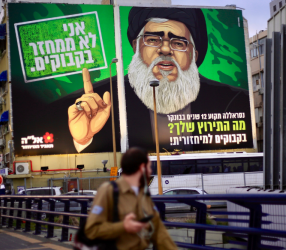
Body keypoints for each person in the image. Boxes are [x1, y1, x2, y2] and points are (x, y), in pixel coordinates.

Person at [67, 7, 253, 153]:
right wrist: (83, 140)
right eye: (153, 40)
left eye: (178, 43)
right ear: (136, 47)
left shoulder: (235, 101)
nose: (165, 49)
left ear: (194, 55)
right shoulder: (100, 101)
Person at [84, 148, 177, 250]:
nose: (151, 171)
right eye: (150, 167)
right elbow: (91, 230)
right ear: (142, 168)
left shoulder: (144, 195)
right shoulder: (108, 191)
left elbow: (159, 233)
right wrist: (123, 226)